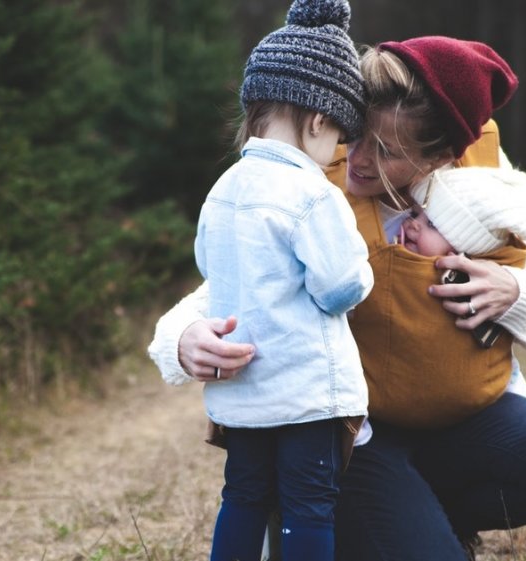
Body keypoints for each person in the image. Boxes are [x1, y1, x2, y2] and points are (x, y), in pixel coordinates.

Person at [148, 35, 526, 560]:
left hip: (463, 419)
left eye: (388, 152)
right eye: (358, 137)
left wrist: (515, 293)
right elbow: (228, 282)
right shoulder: (314, 185)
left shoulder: (481, 188)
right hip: (357, 434)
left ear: (439, 156)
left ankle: (423, 515)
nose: (360, 160)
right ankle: (384, 520)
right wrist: (182, 339)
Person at [195, 1, 373, 559]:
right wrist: (363, 268)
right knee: (309, 504)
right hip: (306, 393)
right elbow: (340, 286)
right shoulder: (312, 192)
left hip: (242, 392)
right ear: (318, 120)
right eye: (338, 137)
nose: (335, 153)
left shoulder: (223, 188)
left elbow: (209, 267)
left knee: (244, 495)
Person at [358, 165, 526, 429]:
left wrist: (517, 291)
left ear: (464, 252)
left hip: (482, 403)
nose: (411, 225)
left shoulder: (482, 273)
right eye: (414, 214)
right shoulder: (380, 247)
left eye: (432, 225)